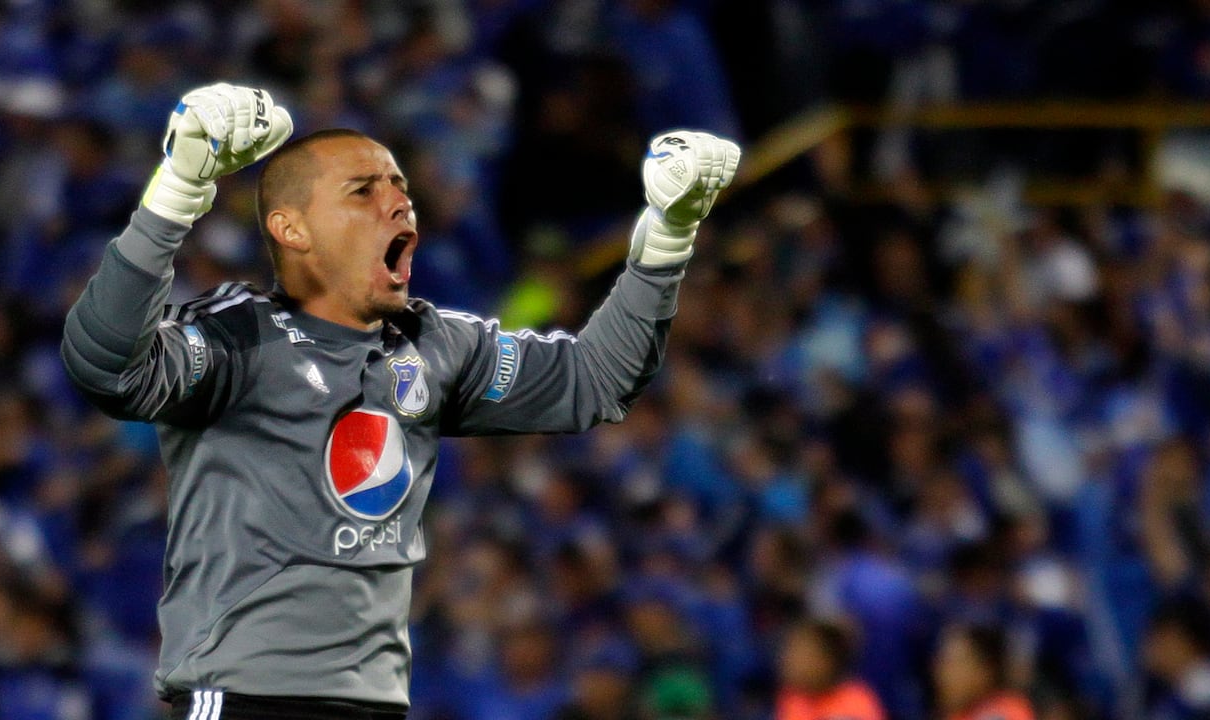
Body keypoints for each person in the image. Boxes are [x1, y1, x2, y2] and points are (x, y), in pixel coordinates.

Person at [59, 82, 738, 720]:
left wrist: (667, 236)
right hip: (247, 699)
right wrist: (178, 189)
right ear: (294, 231)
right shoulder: (238, 338)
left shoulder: (436, 345)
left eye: (399, 187)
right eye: (363, 190)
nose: (398, 203)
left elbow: (595, 379)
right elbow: (107, 365)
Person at [775, 617, 886, 720]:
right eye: (792, 650)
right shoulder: (792, 695)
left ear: (830, 660)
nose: (789, 659)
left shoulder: (857, 706)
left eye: (805, 653)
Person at [932, 623, 1036, 720]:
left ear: (985, 671)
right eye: (941, 662)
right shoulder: (958, 715)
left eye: (952, 663)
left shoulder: (1004, 712)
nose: (942, 674)